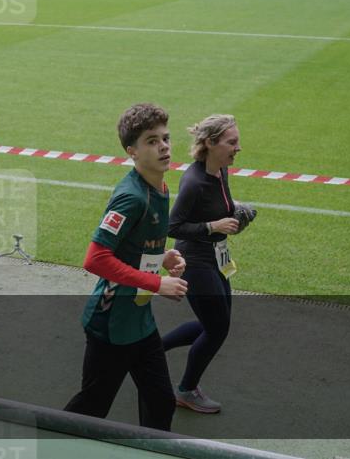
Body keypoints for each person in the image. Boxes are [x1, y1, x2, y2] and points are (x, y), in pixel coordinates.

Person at [64, 103, 187, 431]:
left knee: (160, 402)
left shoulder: (160, 186)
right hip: (111, 326)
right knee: (91, 409)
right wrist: (157, 284)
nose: (163, 146)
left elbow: (133, 245)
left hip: (140, 322)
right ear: (132, 151)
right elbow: (96, 258)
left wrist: (163, 258)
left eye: (166, 138)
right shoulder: (131, 197)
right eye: (151, 141)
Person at [162, 114, 255, 414]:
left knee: (214, 323)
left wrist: (238, 212)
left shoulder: (221, 171)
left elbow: (221, 206)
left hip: (216, 257)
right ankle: (186, 390)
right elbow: (172, 226)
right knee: (216, 329)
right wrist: (212, 226)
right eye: (232, 142)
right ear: (211, 143)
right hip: (194, 260)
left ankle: (149, 351)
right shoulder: (194, 181)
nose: (238, 148)